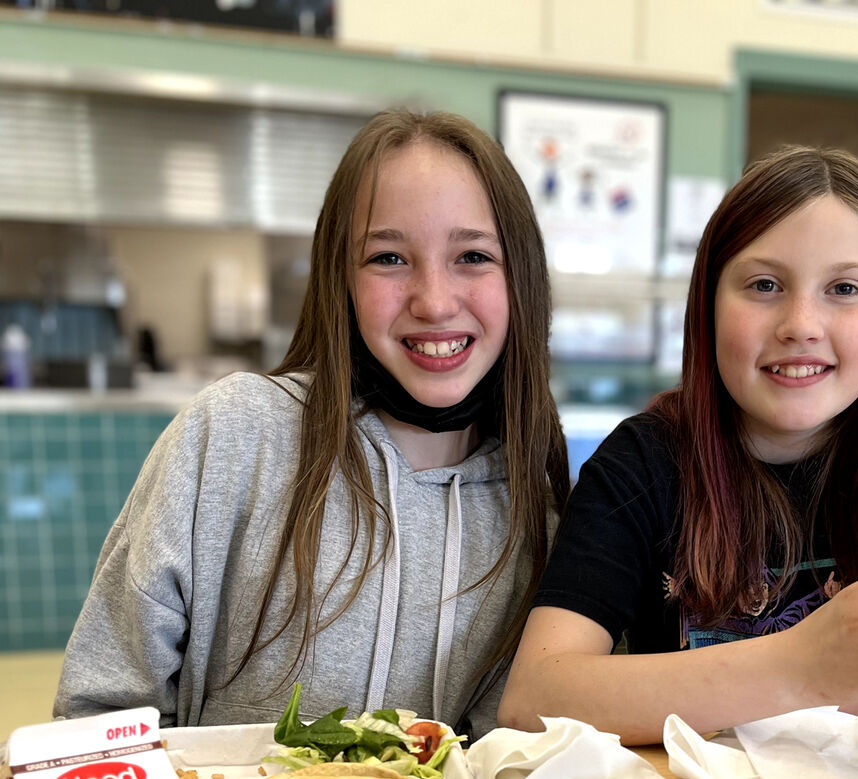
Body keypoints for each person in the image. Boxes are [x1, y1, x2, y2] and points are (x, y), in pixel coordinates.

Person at [499, 144, 858, 744]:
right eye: (765, 284)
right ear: (707, 305)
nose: (800, 323)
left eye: (846, 289)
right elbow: (536, 699)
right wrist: (803, 669)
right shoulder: (643, 464)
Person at [54, 109, 568, 739]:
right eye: (388, 257)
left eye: (471, 255)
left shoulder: (534, 520)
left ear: (522, 276)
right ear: (339, 278)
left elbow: (500, 773)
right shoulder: (234, 437)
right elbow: (98, 717)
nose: (434, 301)